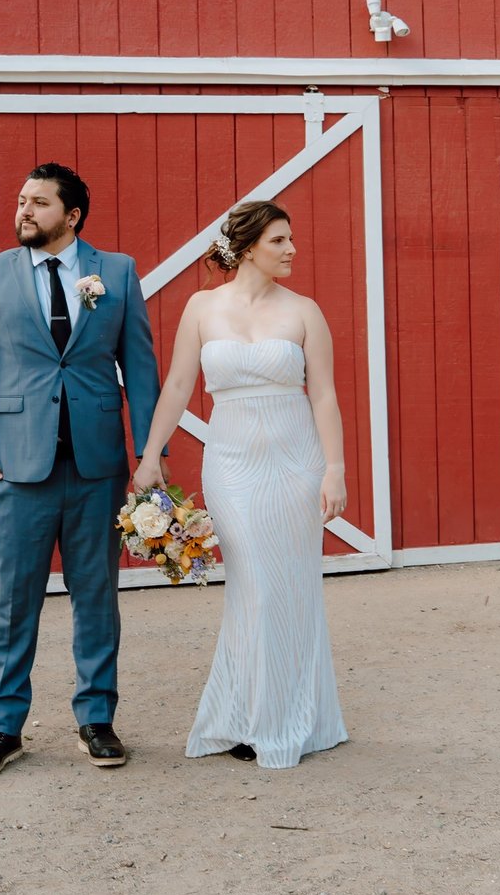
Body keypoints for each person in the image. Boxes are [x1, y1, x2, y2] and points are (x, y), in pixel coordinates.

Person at [0, 163, 161, 778]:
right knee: (13, 602)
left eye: (39, 203)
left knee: (97, 597)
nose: (24, 211)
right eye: (21, 200)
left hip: (96, 464)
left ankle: (97, 719)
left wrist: (149, 453)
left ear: (71, 216)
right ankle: (2, 727)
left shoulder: (116, 272)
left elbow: (140, 367)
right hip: (14, 468)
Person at [133, 201, 348, 771]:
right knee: (252, 586)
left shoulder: (305, 311)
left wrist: (335, 469)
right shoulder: (202, 307)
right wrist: (151, 455)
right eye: (280, 240)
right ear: (249, 247)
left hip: (294, 460)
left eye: (291, 239)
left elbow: (323, 394)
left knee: (289, 586)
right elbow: (179, 384)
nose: (291, 249)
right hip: (231, 464)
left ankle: (287, 716)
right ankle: (245, 715)